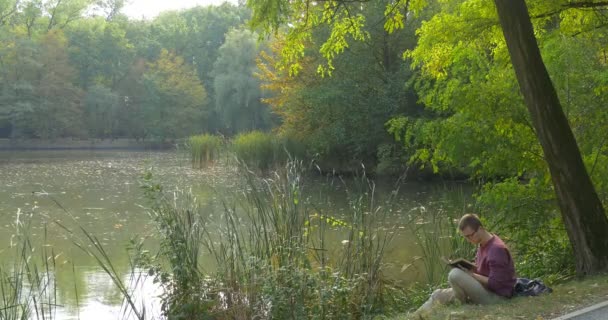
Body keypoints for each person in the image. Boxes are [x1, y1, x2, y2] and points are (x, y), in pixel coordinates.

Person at [414, 213, 516, 315]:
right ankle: (413, 317)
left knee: (455, 274)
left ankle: (461, 302)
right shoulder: (483, 243)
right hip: (484, 289)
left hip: (497, 298)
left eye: (470, 235)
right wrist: (466, 266)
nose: (469, 239)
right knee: (437, 294)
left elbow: (496, 284)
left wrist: (471, 275)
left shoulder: (496, 249)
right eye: (466, 237)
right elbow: (483, 269)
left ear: (480, 228)